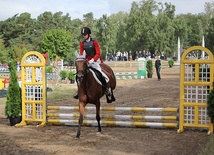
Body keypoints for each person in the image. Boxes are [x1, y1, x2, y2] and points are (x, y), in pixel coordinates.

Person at [73, 27, 111, 99]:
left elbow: (98, 53)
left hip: (95, 61)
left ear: (88, 34)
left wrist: (93, 60)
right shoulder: (82, 43)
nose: (84, 36)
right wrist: (83, 60)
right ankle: (79, 91)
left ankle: (106, 89)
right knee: (79, 74)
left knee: (101, 73)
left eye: (85, 34)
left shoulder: (94, 42)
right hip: (86, 62)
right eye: (83, 35)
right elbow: (81, 53)